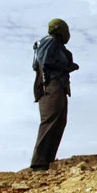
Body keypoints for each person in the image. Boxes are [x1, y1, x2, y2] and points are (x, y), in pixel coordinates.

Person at [30, 18, 79, 171]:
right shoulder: (51, 41)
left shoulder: (53, 44)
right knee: (51, 121)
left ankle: (46, 161)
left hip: (56, 86)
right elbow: (45, 61)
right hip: (51, 86)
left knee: (59, 121)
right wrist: (67, 67)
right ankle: (39, 163)